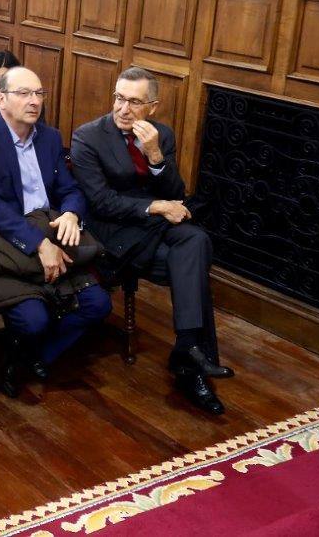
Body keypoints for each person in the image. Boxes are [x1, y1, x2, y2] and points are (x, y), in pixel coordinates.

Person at [70, 66, 233, 415]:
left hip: (154, 227)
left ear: (153, 107)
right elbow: (101, 203)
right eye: (118, 98)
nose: (123, 109)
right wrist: (157, 206)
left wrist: (156, 156)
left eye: (134, 101)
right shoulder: (88, 137)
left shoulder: (161, 135)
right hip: (116, 232)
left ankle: (187, 350)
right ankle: (191, 364)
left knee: (196, 243)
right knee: (194, 249)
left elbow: (176, 192)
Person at [0, 67, 112, 394]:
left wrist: (69, 214)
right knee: (34, 318)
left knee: (98, 305)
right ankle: (23, 351)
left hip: (45, 237)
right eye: (24, 93)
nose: (34, 101)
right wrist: (39, 244)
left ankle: (31, 356)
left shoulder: (49, 137)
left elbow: (71, 189)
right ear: (1, 98)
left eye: (39, 94)